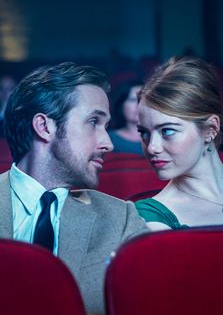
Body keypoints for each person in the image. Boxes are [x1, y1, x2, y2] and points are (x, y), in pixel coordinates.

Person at [0, 62, 148, 315]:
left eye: (106, 125)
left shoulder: (121, 219)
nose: (108, 143)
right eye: (93, 122)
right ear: (45, 127)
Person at [135, 56, 223, 230]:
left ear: (211, 129)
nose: (151, 147)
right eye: (144, 133)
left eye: (167, 131)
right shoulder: (149, 214)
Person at [109, 78, 144, 155]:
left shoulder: (157, 138)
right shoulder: (109, 139)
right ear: (121, 105)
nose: (138, 105)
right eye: (133, 100)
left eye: (143, 100)